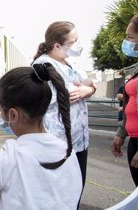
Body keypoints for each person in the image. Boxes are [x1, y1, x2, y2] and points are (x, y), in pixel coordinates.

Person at [0, 64, 82, 210]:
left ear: (13, 115)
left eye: (1, 110)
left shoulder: (3, 160)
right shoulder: (68, 153)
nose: (1, 115)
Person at [32, 21, 97, 206]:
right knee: (59, 197)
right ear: (57, 45)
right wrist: (84, 89)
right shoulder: (42, 68)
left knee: (75, 193)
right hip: (59, 144)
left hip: (80, 141)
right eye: (73, 42)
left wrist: (87, 90)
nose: (77, 45)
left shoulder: (70, 63)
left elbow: (90, 84)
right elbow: (59, 96)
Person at [111, 12, 138, 190]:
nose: (127, 41)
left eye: (131, 37)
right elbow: (131, 104)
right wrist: (121, 133)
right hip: (135, 139)